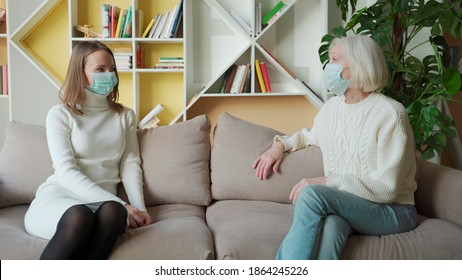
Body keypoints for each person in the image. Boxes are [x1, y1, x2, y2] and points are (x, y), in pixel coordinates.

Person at [252, 34, 418, 260]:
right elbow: (306, 136)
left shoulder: (390, 113)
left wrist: (329, 181)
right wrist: (279, 145)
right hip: (351, 205)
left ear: (357, 66)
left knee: (311, 194)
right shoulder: (332, 109)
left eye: (334, 60)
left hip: (394, 211)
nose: (327, 67)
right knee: (332, 227)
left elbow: (387, 189)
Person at [24, 41, 153, 260]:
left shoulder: (125, 115)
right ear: (80, 73)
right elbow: (66, 172)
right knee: (81, 215)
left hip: (106, 207)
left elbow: (130, 165)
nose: (109, 75)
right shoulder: (60, 114)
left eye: (112, 69)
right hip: (61, 201)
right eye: (100, 70)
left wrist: (139, 210)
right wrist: (125, 205)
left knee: (114, 212)